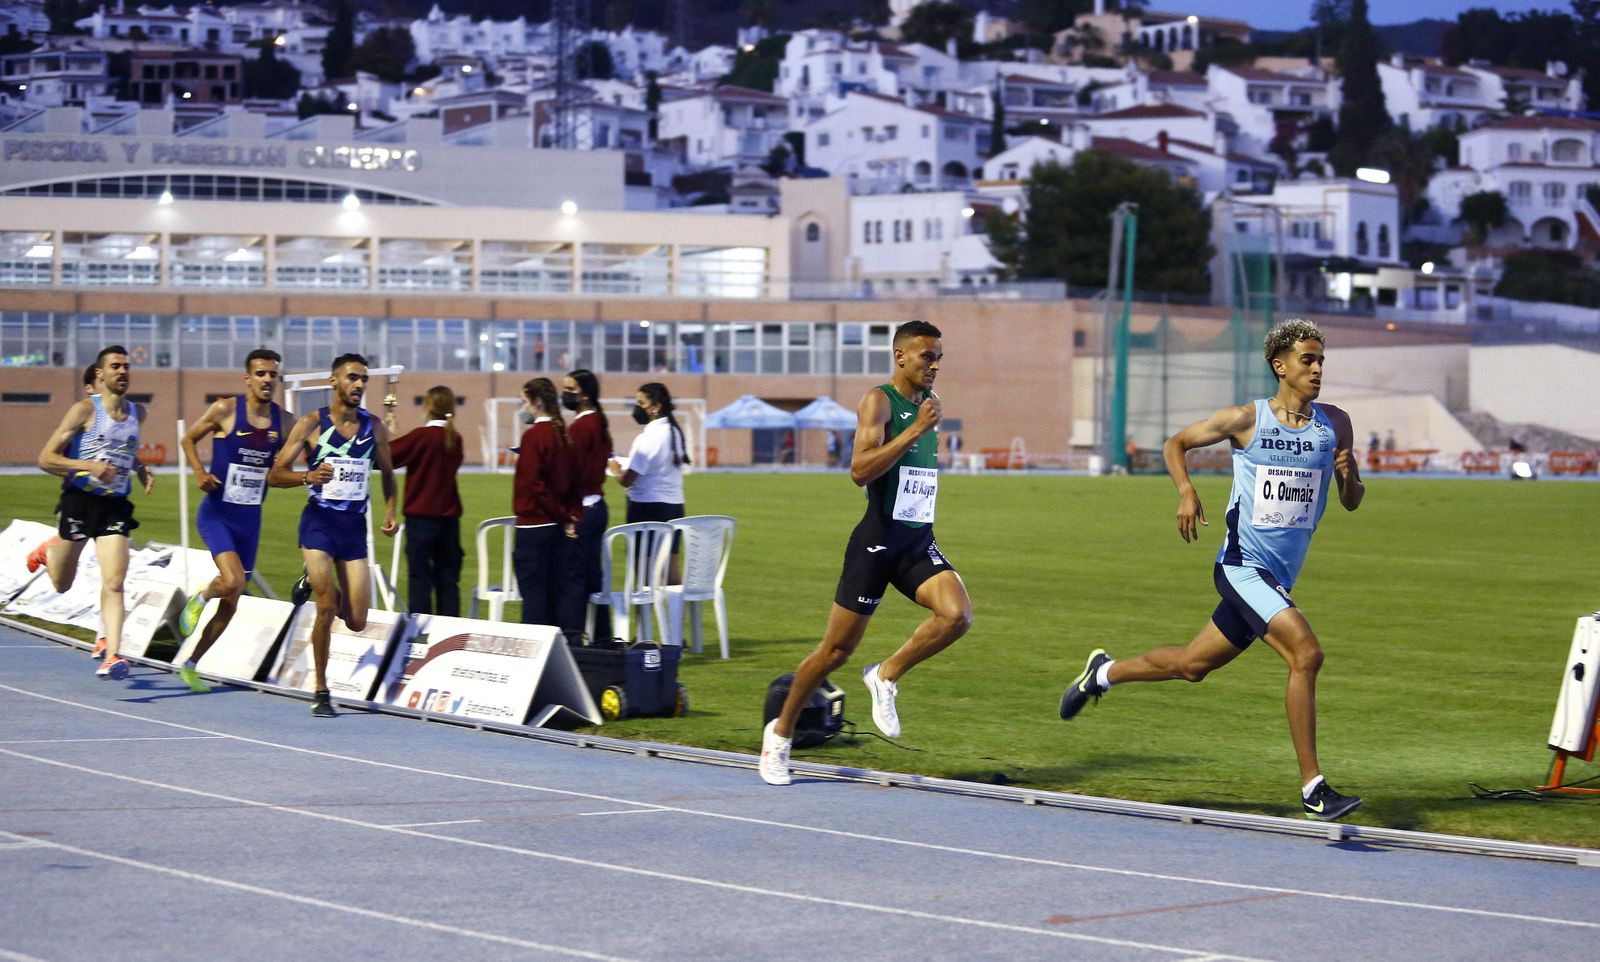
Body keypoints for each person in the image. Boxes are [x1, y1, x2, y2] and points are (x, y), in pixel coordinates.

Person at [1057, 318, 1367, 822]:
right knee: (1306, 654)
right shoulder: (1246, 419)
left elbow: (1352, 501)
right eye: (1307, 360)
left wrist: (1350, 480)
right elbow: (1175, 443)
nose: (1316, 369)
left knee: (1191, 666)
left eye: (1321, 361)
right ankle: (1314, 788)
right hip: (1242, 568)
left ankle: (1103, 673)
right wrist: (1185, 490)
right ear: (1280, 366)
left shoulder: (1335, 424)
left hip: (1277, 579)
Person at [760, 320, 973, 786]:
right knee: (834, 651)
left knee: (956, 616)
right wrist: (914, 431)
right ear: (900, 356)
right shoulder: (879, 401)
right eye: (926, 356)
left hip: (916, 539)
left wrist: (922, 426)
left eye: (939, 357)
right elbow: (859, 470)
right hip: (876, 544)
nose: (935, 365)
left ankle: (885, 675)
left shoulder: (931, 406)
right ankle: (779, 736)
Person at [267, 353, 398, 718]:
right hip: (319, 524)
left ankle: (311, 580)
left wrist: (390, 512)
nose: (359, 385)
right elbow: (276, 474)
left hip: (354, 530)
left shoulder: (374, 426)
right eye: (352, 378)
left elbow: (387, 473)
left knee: (357, 620)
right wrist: (308, 477)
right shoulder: (312, 423)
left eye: (364, 379)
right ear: (334, 382)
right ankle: (321, 689)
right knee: (327, 606)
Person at [32, 345, 154, 680]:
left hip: (115, 504)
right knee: (61, 584)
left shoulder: (138, 413)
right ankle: (50, 550)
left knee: (114, 582)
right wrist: (87, 465)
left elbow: (124, 449)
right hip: (79, 501)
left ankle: (113, 654)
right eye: (116, 366)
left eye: (127, 366)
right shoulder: (84, 410)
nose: (123, 371)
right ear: (100, 375)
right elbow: (45, 459)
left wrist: (140, 468)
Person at [174, 349, 287, 692]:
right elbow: (189, 438)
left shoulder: (286, 421)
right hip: (217, 514)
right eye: (261, 373)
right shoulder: (225, 410)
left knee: (233, 600)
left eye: (273, 374)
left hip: (250, 521)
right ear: (248, 378)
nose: (268, 380)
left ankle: (192, 664)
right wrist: (199, 471)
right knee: (234, 581)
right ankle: (202, 595)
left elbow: (312, 447)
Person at [383, 386, 465, 616]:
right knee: (448, 579)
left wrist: (391, 436)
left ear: (428, 407)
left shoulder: (421, 436)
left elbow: (387, 457)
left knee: (420, 578)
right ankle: (449, 629)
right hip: (449, 521)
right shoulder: (454, 438)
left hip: (421, 519)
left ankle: (419, 631)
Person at [511, 377, 576, 626]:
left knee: (534, 595)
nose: (524, 407)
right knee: (553, 593)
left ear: (537, 401)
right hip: (556, 527)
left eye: (525, 401)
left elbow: (535, 485)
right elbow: (570, 480)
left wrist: (560, 513)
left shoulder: (534, 436)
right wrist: (566, 516)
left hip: (534, 524)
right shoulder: (562, 434)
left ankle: (536, 656)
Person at [558, 369, 612, 644]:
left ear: (586, 393)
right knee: (593, 578)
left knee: (573, 579)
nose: (565, 393)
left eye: (570, 388)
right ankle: (602, 638)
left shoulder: (582, 427)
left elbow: (573, 471)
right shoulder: (599, 423)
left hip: (583, 507)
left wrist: (570, 513)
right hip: (596, 505)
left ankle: (573, 639)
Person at [609, 382, 689, 526]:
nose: (637, 408)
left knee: (641, 549)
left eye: (641, 403)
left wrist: (615, 469)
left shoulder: (647, 437)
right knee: (671, 549)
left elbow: (627, 480)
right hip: (676, 506)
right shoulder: (676, 432)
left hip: (647, 505)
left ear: (656, 407)